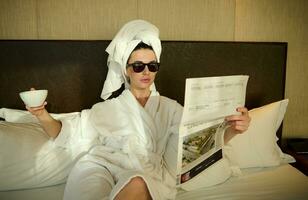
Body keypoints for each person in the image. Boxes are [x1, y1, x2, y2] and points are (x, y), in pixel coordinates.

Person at [26, 20, 250, 200]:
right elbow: (65, 134)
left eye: (152, 66)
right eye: (138, 66)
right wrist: (41, 114)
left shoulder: (171, 108)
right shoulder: (106, 109)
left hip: (145, 171)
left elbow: (196, 143)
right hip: (100, 165)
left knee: (138, 183)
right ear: (126, 69)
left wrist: (233, 130)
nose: (146, 72)